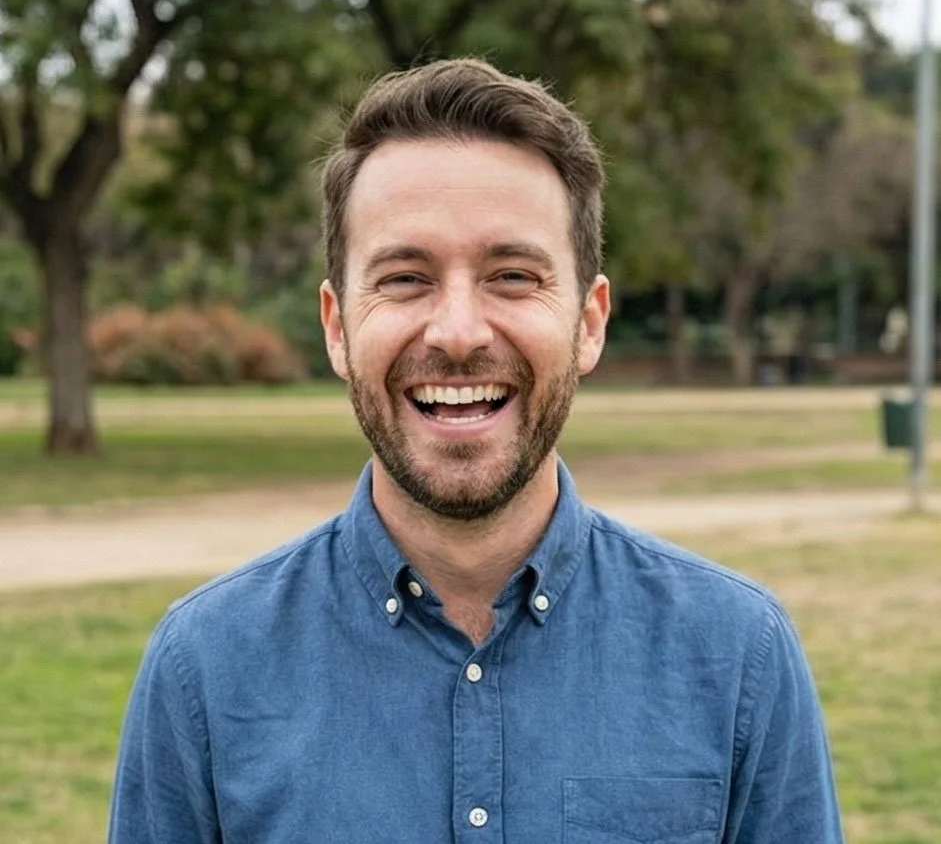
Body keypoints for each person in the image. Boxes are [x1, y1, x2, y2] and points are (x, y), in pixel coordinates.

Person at [108, 58, 843, 843]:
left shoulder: (737, 655)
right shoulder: (206, 668)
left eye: (513, 275)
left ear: (589, 322)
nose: (457, 332)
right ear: (335, 327)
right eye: (404, 279)